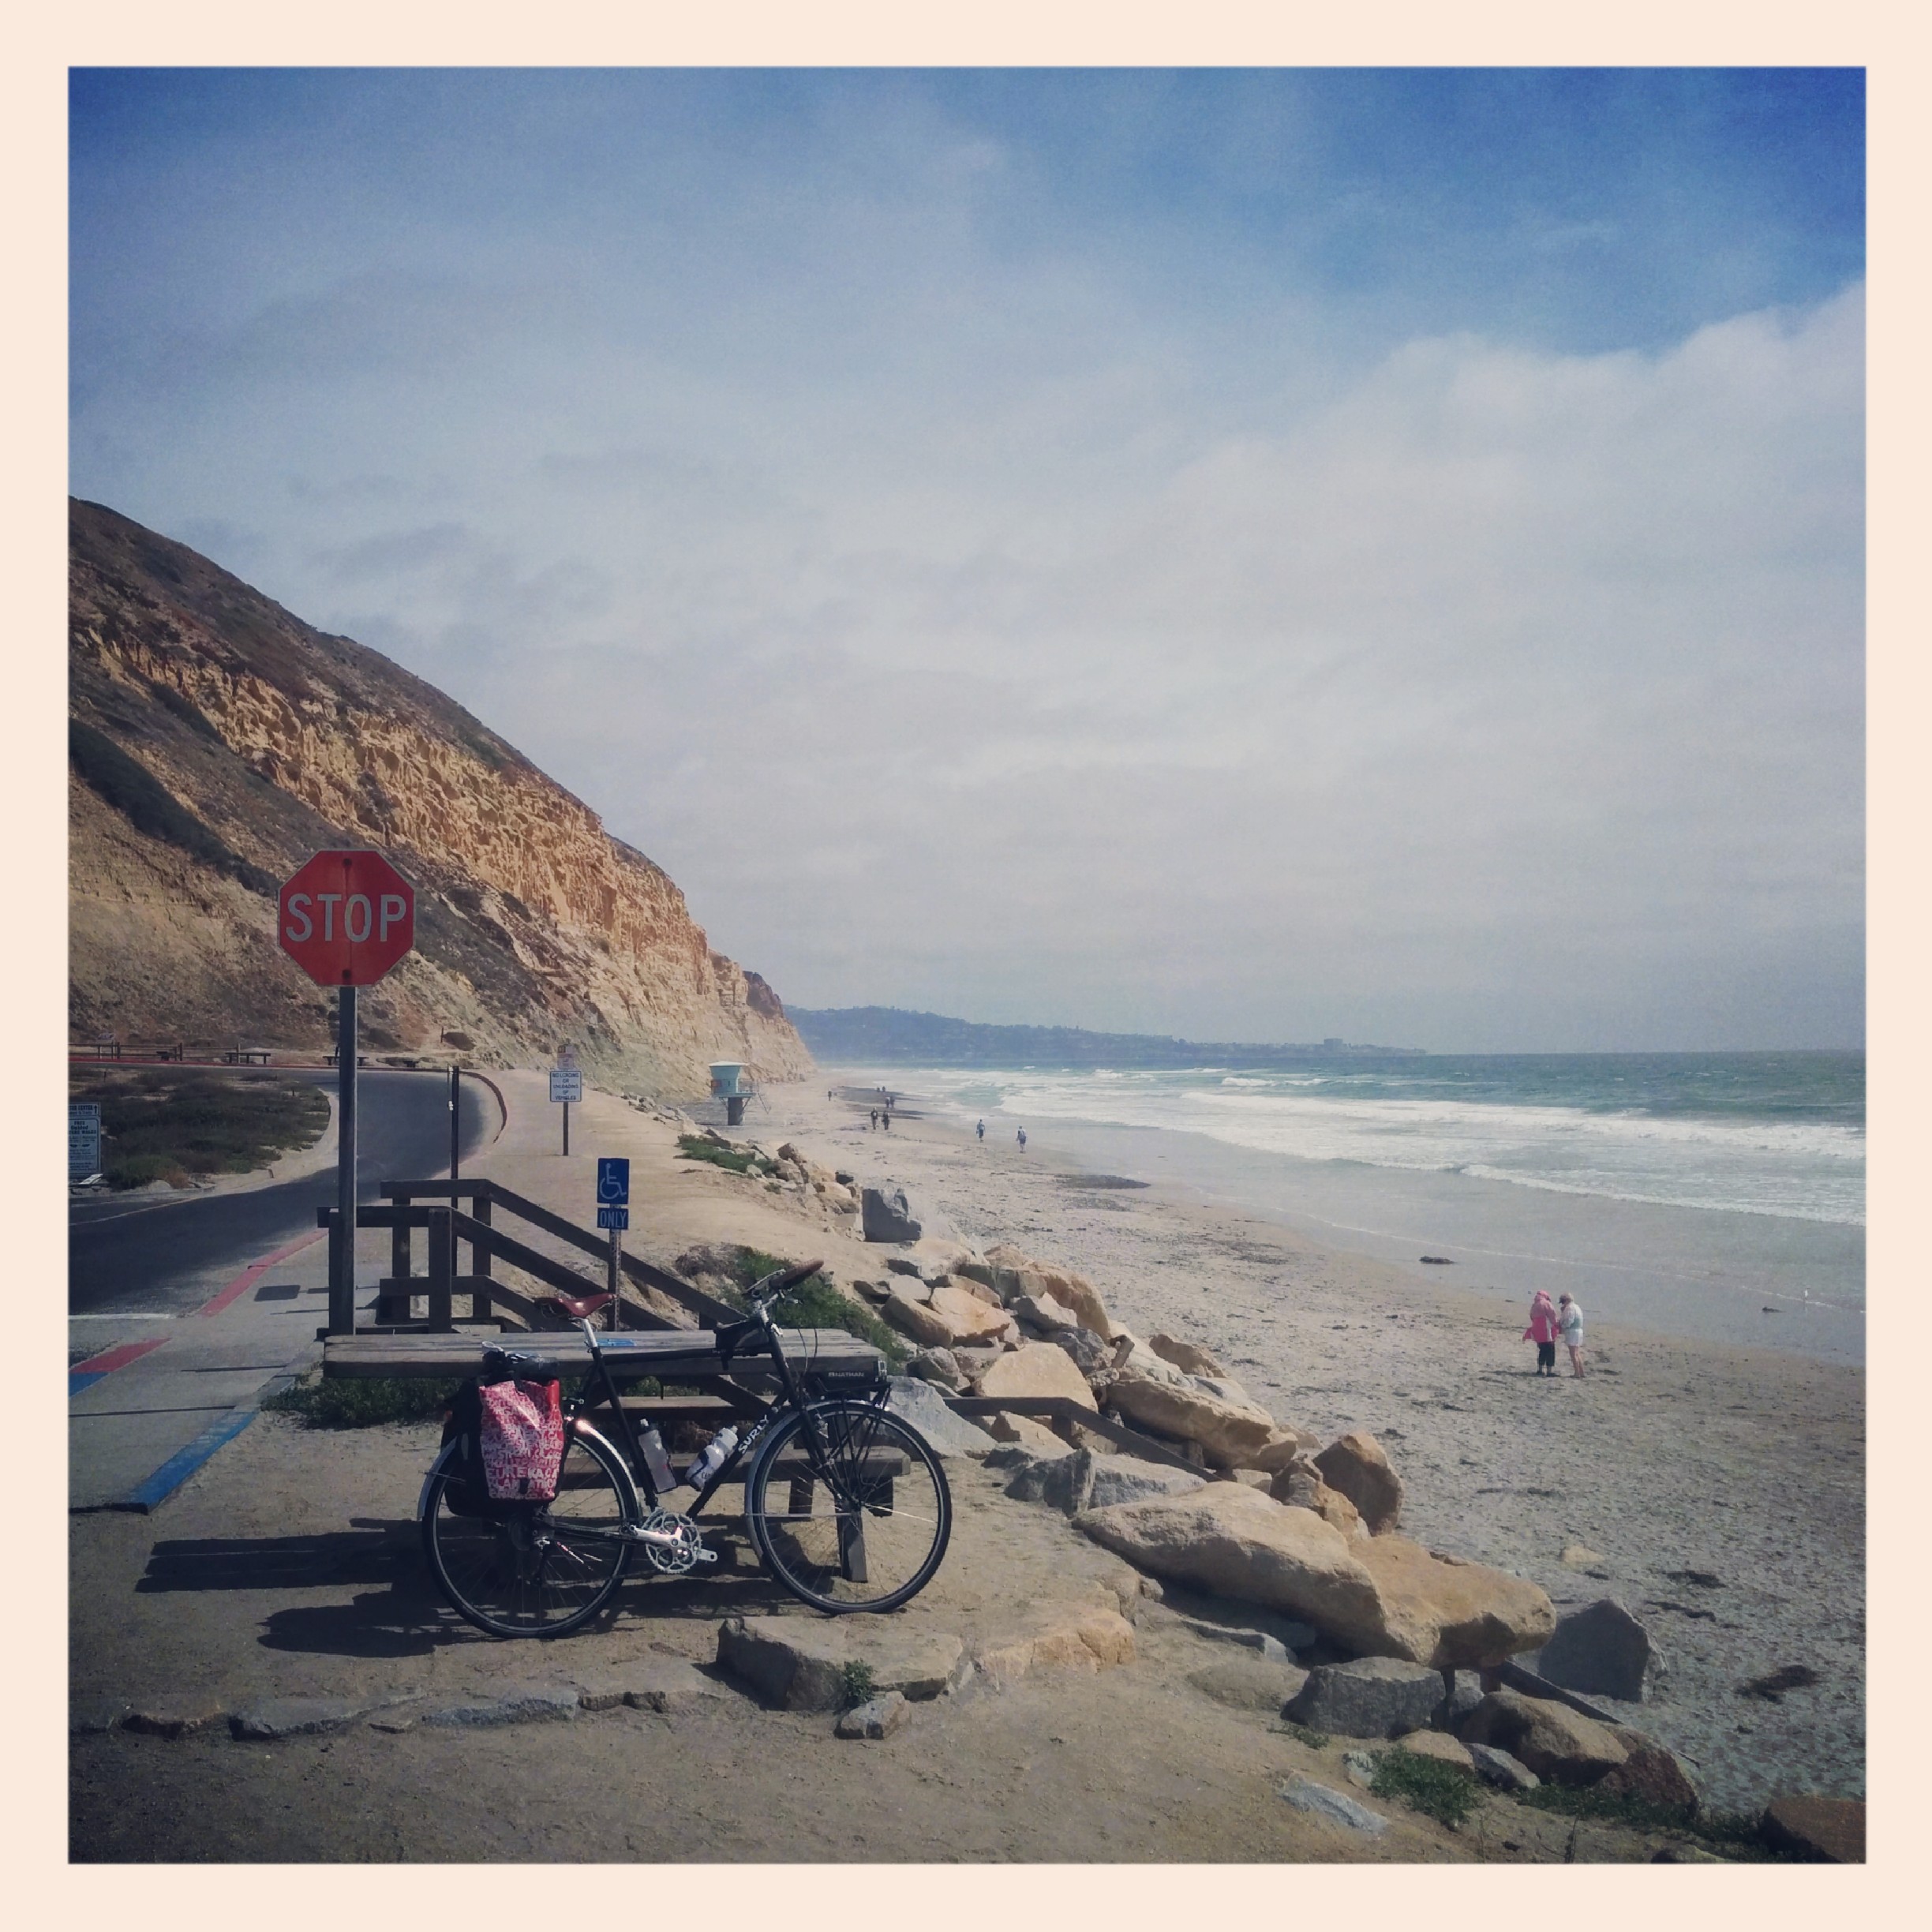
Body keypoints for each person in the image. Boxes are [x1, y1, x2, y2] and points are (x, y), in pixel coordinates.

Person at [1523, 1290, 1558, 1376]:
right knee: (1550, 1350)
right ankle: (1549, 1371)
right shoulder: (1547, 1304)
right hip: (1546, 1330)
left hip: (1537, 1331)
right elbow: (1553, 1316)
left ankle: (1540, 1369)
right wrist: (1557, 1325)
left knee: (1542, 1350)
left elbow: (1532, 1317)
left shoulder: (1534, 1305)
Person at [1558, 1292, 1586, 1379]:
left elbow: (1568, 1321)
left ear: (1566, 1300)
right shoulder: (1577, 1307)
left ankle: (1577, 1373)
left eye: (1563, 1301)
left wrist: (1562, 1327)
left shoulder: (1569, 1308)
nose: (1563, 1304)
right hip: (1579, 1331)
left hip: (1573, 1332)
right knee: (1577, 1353)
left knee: (1573, 1353)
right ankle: (1581, 1372)